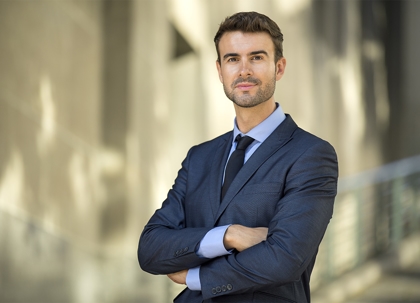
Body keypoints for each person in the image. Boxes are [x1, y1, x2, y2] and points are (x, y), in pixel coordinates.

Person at [138, 11, 338, 303]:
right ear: (220, 71)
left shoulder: (310, 155)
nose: (244, 70)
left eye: (256, 58)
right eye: (233, 59)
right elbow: (151, 248)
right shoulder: (199, 158)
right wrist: (228, 235)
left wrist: (195, 276)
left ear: (279, 67)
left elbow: (285, 259)